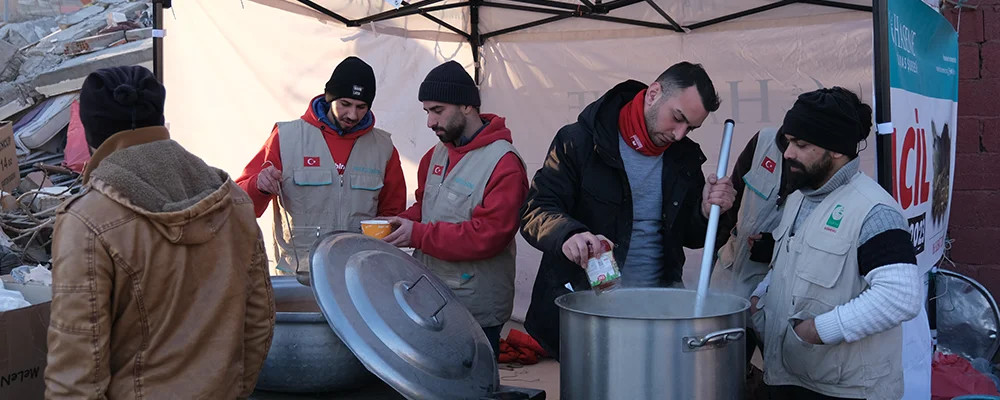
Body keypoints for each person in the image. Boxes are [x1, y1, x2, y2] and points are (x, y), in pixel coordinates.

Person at [45, 66, 275, 399]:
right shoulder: (234, 202)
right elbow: (258, 325)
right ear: (159, 121)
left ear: (92, 134)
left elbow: (76, 368)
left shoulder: (88, 221)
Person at [519, 61, 736, 358]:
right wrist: (569, 234)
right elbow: (536, 210)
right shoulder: (580, 141)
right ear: (653, 93)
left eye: (691, 127)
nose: (679, 135)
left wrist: (707, 211)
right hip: (586, 310)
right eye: (677, 118)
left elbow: (690, 235)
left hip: (657, 310)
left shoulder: (683, 158)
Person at [751, 87, 922, 400]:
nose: (788, 153)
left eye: (801, 144)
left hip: (845, 391)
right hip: (790, 377)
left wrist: (817, 331)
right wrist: (760, 295)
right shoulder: (799, 198)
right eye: (788, 141)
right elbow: (791, 262)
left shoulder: (874, 211)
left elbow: (901, 296)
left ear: (837, 151)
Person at [382, 61, 528, 358]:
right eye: (426, 112)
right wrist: (398, 223)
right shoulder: (434, 154)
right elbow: (426, 207)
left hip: (475, 308)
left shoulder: (505, 163)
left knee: (472, 385)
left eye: (438, 110)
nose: (429, 122)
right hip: (432, 297)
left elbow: (488, 236)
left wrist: (418, 234)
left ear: (467, 107)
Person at [235, 56, 406, 275]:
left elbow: (394, 213)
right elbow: (239, 203)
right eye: (345, 104)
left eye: (361, 107)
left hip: (360, 276)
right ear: (329, 97)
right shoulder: (286, 137)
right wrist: (258, 185)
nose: (352, 114)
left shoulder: (383, 147)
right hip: (300, 275)